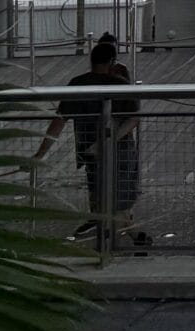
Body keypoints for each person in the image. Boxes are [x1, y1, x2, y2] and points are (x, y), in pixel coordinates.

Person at [34, 35, 145, 247]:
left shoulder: (77, 84)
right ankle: (128, 238)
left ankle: (122, 238)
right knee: (119, 199)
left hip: (89, 151)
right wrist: (109, 141)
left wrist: (41, 153)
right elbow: (134, 118)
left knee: (100, 197)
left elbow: (59, 121)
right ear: (112, 61)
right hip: (120, 150)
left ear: (91, 60)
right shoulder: (120, 85)